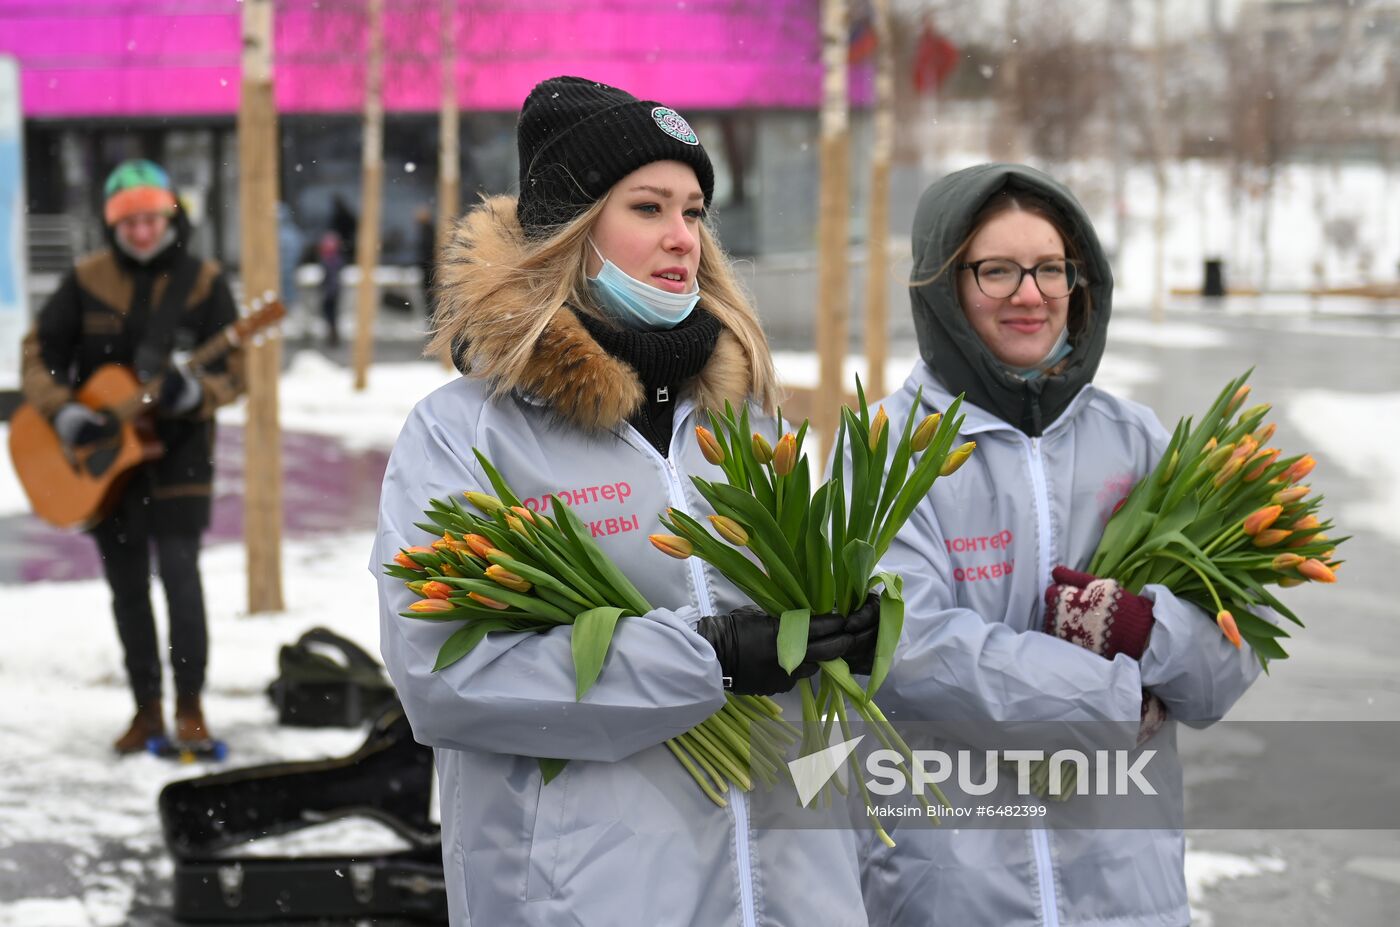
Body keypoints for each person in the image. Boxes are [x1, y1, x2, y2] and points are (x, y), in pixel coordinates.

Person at [373, 76, 876, 926]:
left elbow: (790, 677)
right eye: (648, 207)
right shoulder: (467, 434)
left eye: (694, 210)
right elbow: (443, 675)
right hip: (592, 898)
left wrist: (834, 639)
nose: (683, 237)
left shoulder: (745, 421)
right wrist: (708, 659)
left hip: (790, 890)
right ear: (571, 234)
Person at [859, 163, 1262, 926]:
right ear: (943, 286)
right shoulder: (884, 452)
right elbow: (910, 653)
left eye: (1050, 269)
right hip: (950, 888)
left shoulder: (1138, 440)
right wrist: (1118, 697)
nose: (1030, 294)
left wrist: (1146, 629)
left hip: (1128, 891)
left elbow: (1225, 666)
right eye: (997, 270)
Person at [20, 158, 246, 753]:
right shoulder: (86, 279)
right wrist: (62, 410)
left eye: (150, 219)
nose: (141, 233)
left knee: (179, 578)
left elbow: (235, 369)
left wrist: (197, 391)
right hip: (101, 465)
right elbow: (39, 355)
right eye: (129, 223)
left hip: (179, 454)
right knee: (126, 588)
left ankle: (190, 707)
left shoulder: (203, 282)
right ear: (112, 226)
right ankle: (145, 708)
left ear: (170, 216)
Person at [316, 231, 344, 347]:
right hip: (333, 291)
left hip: (330, 292)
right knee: (332, 316)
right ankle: (332, 336)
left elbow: (328, 278)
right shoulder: (336, 261)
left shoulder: (329, 262)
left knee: (330, 315)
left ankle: (332, 337)